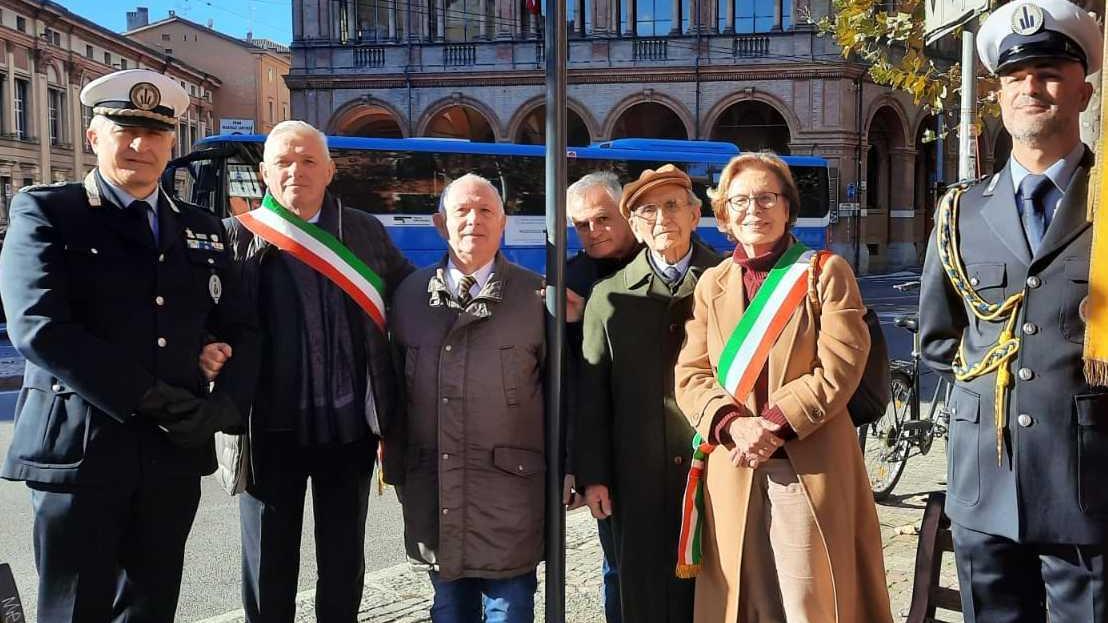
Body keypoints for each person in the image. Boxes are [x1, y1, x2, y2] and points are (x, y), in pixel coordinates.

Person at [0, 69, 259, 621]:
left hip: (172, 454)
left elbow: (238, 325)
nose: (141, 145)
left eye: (155, 133)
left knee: (152, 606)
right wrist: (154, 398)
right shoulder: (48, 211)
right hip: (80, 453)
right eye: (125, 130)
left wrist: (223, 405)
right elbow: (39, 328)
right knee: (75, 609)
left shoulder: (202, 226)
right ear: (94, 138)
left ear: (172, 144)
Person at [918, 1, 1106, 620]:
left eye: (1051, 71)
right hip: (985, 490)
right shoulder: (959, 213)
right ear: (999, 95)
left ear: (1083, 89)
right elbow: (941, 341)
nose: (1032, 87)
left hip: (1090, 488)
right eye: (1016, 77)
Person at [201, 120, 414, 622]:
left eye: (309, 160)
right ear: (264, 174)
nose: (296, 170)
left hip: (348, 431)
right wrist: (206, 345)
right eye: (284, 162)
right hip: (265, 432)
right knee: (268, 564)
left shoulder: (364, 230)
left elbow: (410, 293)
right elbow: (201, 315)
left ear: (330, 170)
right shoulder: (235, 237)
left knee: (343, 560)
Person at [673, 153, 892, 622]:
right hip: (733, 466)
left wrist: (770, 424)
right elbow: (691, 375)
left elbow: (840, 367)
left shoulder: (824, 273)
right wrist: (734, 425)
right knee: (743, 601)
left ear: (788, 208)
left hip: (807, 465)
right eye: (741, 200)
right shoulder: (712, 283)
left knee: (809, 602)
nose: (755, 209)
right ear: (725, 214)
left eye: (767, 197)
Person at [385, 173, 546, 623]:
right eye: (462, 211)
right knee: (449, 611)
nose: (474, 220)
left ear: (503, 223)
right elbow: (392, 389)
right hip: (435, 492)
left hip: (511, 496)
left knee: (511, 610)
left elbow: (562, 393)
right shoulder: (410, 296)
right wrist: (395, 465)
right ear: (441, 223)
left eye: (486, 211)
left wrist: (571, 466)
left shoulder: (537, 297)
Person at [575, 164, 720, 623]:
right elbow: (592, 395)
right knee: (641, 592)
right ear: (634, 226)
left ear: (696, 215)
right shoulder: (607, 296)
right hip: (634, 478)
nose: (663, 219)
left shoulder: (728, 280)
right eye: (648, 211)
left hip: (713, 471)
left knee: (713, 591)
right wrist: (593, 475)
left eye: (674, 205)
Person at [564, 171, 641, 623]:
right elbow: (569, 378)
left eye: (602, 219)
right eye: (581, 225)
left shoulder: (658, 262)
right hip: (607, 449)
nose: (593, 232)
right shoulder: (569, 277)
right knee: (616, 566)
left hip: (667, 446)